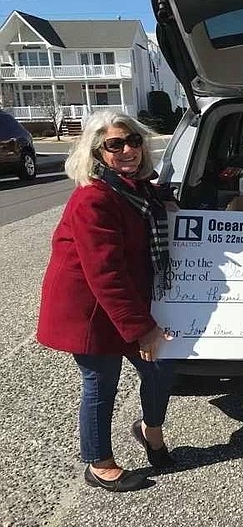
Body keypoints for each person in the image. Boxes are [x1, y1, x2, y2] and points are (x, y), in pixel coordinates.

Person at [37, 110, 176, 492]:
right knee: (100, 382)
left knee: (161, 368)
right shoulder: (93, 199)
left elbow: (149, 197)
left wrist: (169, 202)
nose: (128, 150)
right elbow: (106, 273)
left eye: (133, 141)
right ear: (97, 152)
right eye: (115, 145)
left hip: (123, 301)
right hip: (91, 310)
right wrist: (143, 330)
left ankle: (150, 430)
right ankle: (99, 464)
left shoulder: (135, 188)